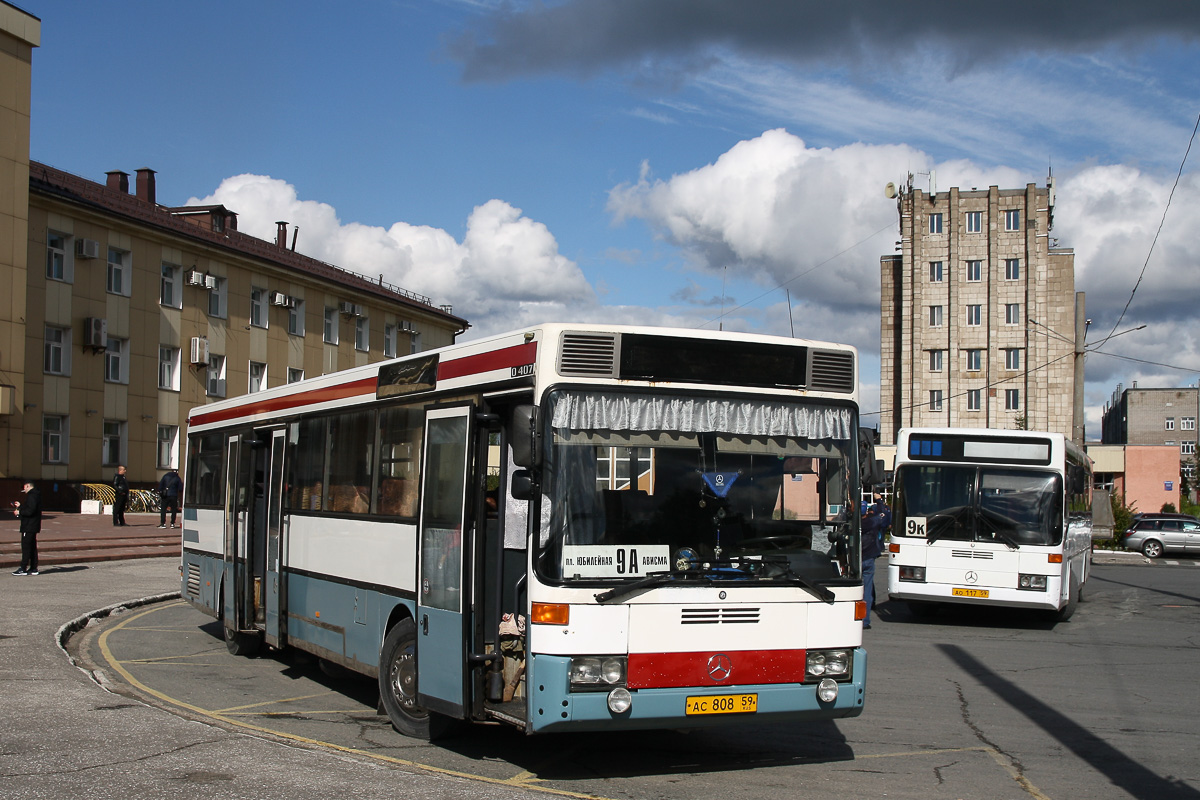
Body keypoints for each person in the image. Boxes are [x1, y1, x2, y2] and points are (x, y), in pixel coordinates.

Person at [860, 503, 884, 629]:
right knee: (867, 591)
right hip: (869, 559)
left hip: (855, 560)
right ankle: (865, 620)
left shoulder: (853, 524)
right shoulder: (873, 522)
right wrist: (879, 502)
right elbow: (883, 515)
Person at [12, 481, 42, 576]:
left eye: (24, 487)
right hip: (33, 525)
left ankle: (23, 568)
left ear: (28, 486)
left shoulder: (31, 496)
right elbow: (31, 508)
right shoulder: (36, 495)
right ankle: (33, 568)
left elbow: (30, 511)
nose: (23, 489)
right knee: (32, 547)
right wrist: (21, 507)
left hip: (29, 525)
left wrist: (19, 512)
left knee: (26, 547)